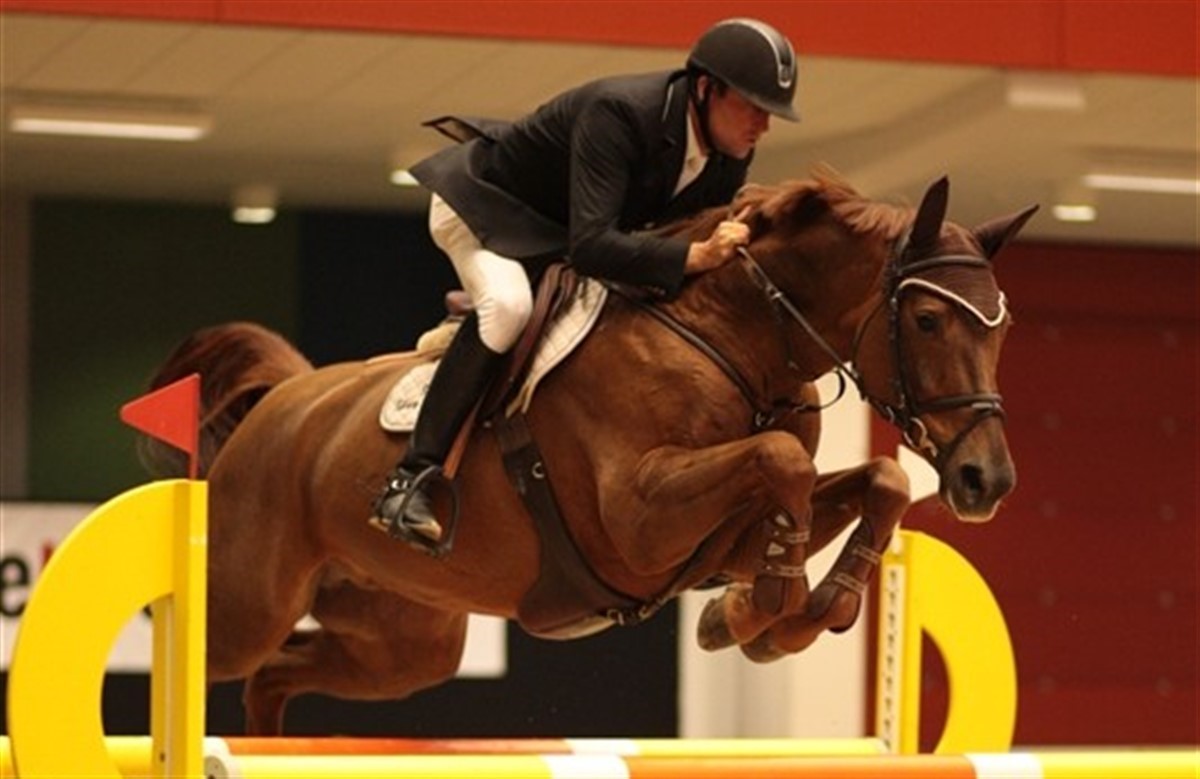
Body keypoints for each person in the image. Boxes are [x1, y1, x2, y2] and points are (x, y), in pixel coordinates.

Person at [372, 17, 801, 552]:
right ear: (706, 88)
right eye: (754, 106)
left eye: (770, 112)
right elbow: (594, 247)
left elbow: (660, 245)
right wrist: (694, 255)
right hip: (489, 212)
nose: (763, 124)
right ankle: (409, 480)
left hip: (557, 235)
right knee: (508, 308)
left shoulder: (728, 153)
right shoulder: (619, 113)